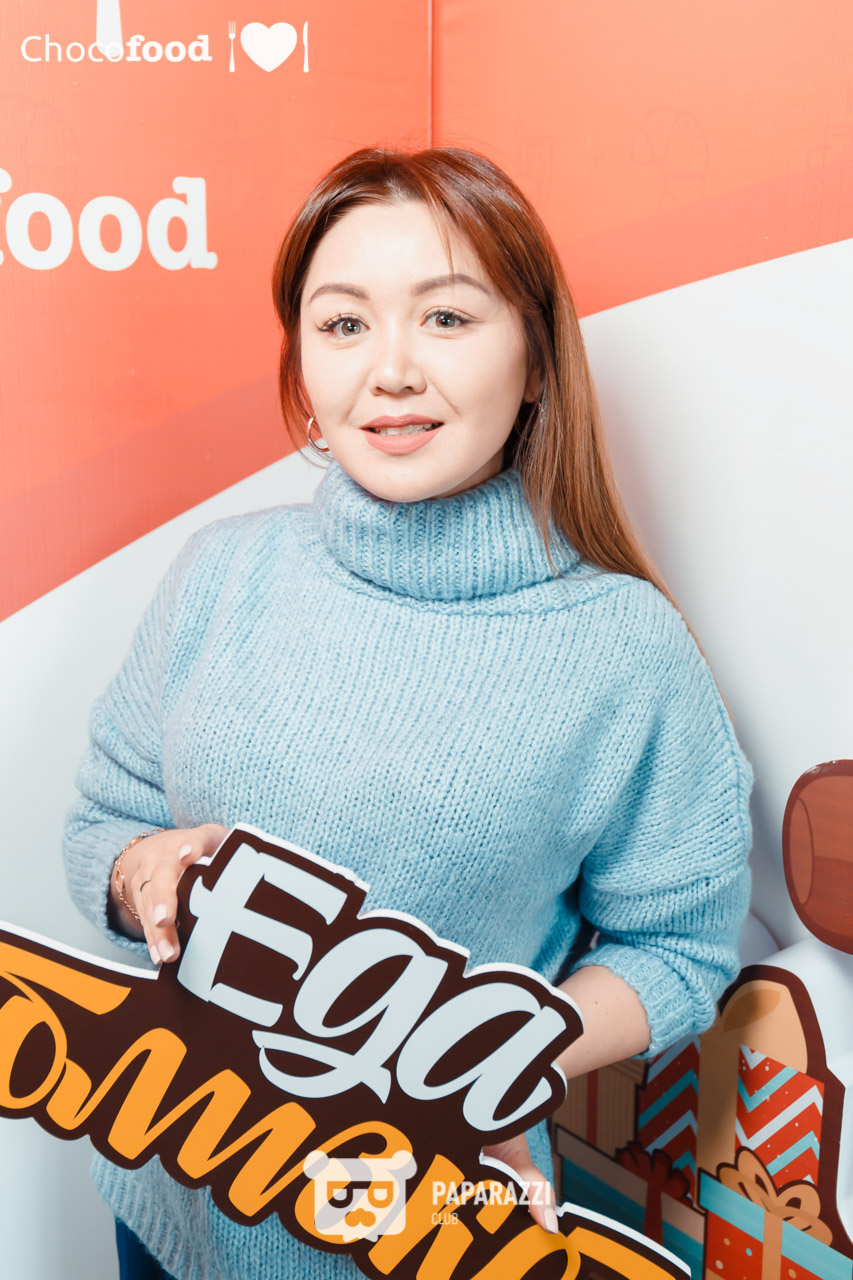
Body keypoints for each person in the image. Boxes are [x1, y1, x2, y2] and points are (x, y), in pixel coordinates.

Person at [63, 146, 753, 1280]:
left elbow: (678, 950)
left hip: (419, 1226)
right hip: (172, 1187)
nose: (390, 371)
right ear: (302, 366)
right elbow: (105, 821)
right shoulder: (219, 572)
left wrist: (495, 1060)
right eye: (343, 324)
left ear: (535, 360)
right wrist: (140, 872)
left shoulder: (625, 650)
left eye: (445, 318)